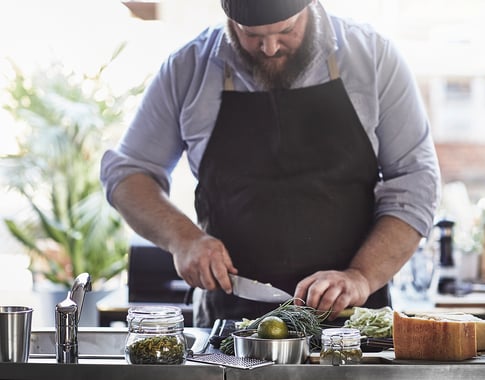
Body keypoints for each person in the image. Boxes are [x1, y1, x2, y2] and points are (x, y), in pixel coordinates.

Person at [100, 0, 441, 327]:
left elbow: (415, 181)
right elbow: (129, 173)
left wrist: (361, 276)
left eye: (285, 31)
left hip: (352, 326)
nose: (270, 48)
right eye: (251, 35)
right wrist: (183, 239)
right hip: (230, 328)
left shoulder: (373, 57)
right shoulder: (188, 68)